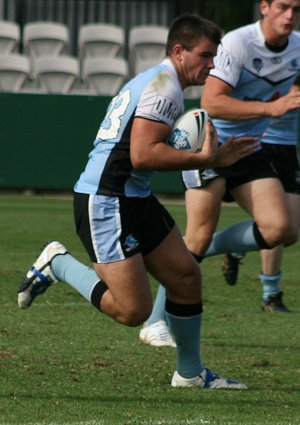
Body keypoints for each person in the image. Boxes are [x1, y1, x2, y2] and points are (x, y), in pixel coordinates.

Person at [17, 14, 258, 390]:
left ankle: (190, 374)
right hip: (107, 201)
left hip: (134, 196)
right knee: (133, 311)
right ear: (179, 52)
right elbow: (143, 156)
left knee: (184, 276)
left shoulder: (158, 79)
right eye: (205, 56)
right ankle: (58, 264)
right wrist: (208, 159)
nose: (211, 65)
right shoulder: (165, 88)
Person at [139, 0, 300, 347]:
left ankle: (205, 250)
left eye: (297, 9)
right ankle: (154, 321)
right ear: (265, 7)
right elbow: (212, 102)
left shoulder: (298, 47)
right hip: (211, 144)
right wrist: (272, 108)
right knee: (195, 238)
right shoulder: (239, 43)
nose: (290, 16)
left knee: (281, 228)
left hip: (249, 147)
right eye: (284, 7)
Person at [222, 79, 300, 312]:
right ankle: (271, 295)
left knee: (290, 232)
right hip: (260, 146)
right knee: (274, 226)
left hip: (286, 150)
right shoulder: (263, 73)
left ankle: (236, 247)